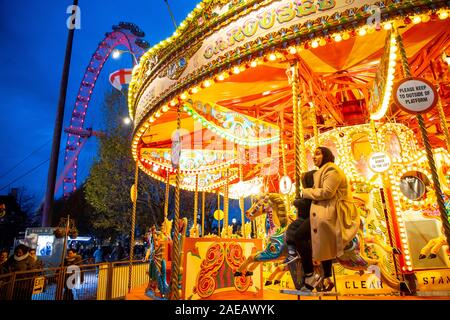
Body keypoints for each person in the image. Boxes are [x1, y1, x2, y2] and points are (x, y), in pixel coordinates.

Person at [298, 146, 360, 291]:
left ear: (326, 155)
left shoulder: (332, 170)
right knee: (320, 240)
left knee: (299, 235)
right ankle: (326, 276)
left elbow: (327, 193)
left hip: (331, 213)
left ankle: (309, 274)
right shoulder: (323, 171)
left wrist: (306, 192)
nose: (314, 157)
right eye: (313, 154)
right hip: (323, 210)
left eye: (318, 154)